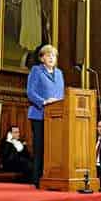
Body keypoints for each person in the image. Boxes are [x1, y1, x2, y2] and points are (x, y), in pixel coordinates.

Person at [26, 44, 64, 188]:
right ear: (42, 58)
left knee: (54, 148)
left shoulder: (59, 73)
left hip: (56, 117)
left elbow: (61, 94)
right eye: (48, 55)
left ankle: (51, 177)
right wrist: (44, 102)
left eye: (53, 56)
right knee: (40, 147)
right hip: (39, 115)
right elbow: (30, 92)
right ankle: (37, 179)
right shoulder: (36, 71)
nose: (51, 58)